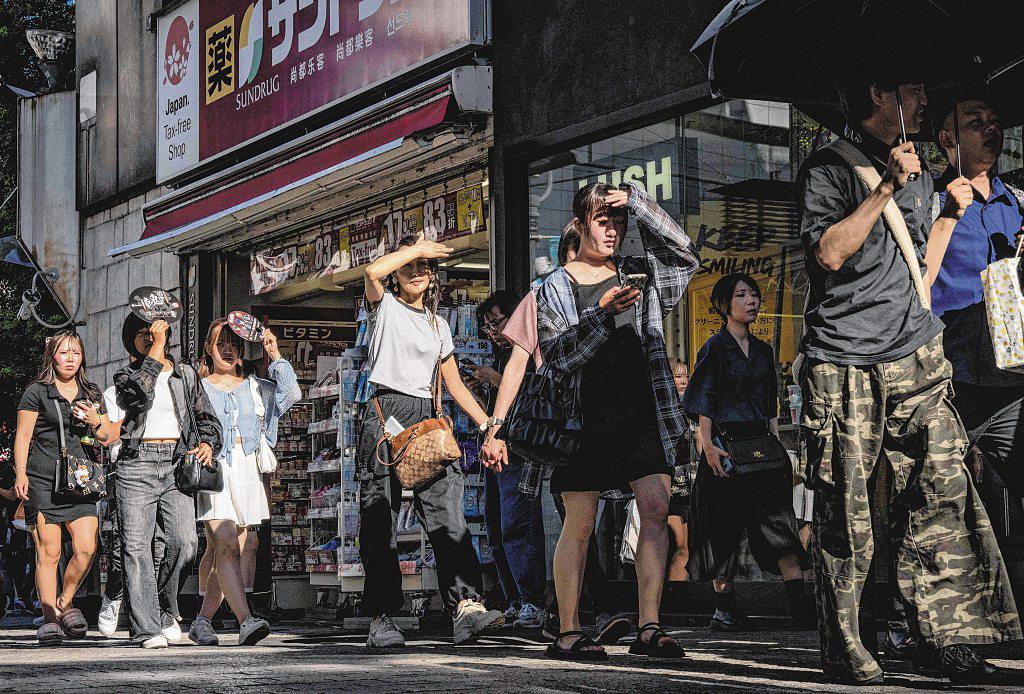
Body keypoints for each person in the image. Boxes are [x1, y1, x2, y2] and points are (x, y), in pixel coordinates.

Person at [797, 68, 1021, 684]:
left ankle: (951, 636)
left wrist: (943, 212)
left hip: (916, 357)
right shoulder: (828, 170)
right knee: (851, 512)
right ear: (879, 95)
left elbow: (919, 268)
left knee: (944, 489)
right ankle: (848, 643)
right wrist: (885, 190)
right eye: (915, 90)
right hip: (845, 363)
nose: (925, 101)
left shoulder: (921, 169)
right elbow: (830, 254)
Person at [534, 181, 698, 661]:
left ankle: (649, 627)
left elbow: (684, 257)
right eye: (603, 220)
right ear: (581, 223)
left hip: (641, 410)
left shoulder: (638, 272)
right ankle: (568, 632)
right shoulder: (556, 286)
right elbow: (560, 356)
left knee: (654, 508)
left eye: (619, 221)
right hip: (582, 418)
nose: (613, 230)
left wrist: (641, 204)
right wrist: (601, 316)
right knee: (580, 522)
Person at [480, 226, 631, 645]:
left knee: (581, 522)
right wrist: (496, 427)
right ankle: (575, 615)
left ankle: (565, 613)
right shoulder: (544, 296)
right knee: (571, 523)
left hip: (602, 422)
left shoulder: (621, 290)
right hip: (554, 432)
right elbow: (520, 366)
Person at [358, 233, 505, 648]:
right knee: (379, 517)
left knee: (448, 511)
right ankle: (382, 618)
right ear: (398, 272)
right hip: (384, 412)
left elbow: (454, 383)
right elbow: (372, 272)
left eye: (425, 266)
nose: (419, 272)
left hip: (428, 416)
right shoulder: (383, 307)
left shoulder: (438, 324)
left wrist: (489, 424)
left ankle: (465, 607)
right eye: (411, 266)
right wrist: (415, 250)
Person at [683, 274, 809, 631]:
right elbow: (704, 400)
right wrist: (708, 447)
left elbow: (770, 406)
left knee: (780, 526)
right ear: (725, 305)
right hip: (725, 447)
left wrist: (779, 450)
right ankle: (724, 609)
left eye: (754, 295)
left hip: (762, 448)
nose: (751, 301)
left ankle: (799, 606)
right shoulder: (714, 347)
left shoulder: (765, 350)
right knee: (721, 529)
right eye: (741, 295)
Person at [926, 93, 1024, 500]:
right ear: (947, 138)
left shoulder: (1019, 203)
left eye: (995, 120)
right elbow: (915, 280)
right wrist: (947, 215)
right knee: (941, 503)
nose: (990, 128)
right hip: (948, 383)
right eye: (975, 122)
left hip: (1012, 384)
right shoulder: (926, 204)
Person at [113, 314, 222, 648]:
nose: (149, 337)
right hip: (136, 464)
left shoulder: (186, 374)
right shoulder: (127, 375)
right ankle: (146, 628)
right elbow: (136, 399)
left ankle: (161, 606)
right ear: (130, 338)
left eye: (156, 333)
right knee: (136, 547)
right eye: (142, 334)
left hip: (176, 464)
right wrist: (155, 352)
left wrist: (207, 442)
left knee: (184, 543)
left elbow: (207, 418)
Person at [191, 318, 300, 647]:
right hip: (213, 471)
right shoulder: (197, 387)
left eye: (234, 343)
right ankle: (246, 619)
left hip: (247, 471)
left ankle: (201, 621)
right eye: (220, 342)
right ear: (209, 348)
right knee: (224, 543)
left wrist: (275, 354)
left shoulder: (257, 387)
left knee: (234, 551)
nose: (227, 348)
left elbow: (290, 393)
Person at [13, 331, 113, 645]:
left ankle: (64, 601)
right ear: (52, 356)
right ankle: (50, 618)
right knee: (49, 551)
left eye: (75, 353)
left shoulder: (92, 392)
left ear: (82, 357)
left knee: (86, 547)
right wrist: (20, 473)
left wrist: (96, 419)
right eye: (63, 352)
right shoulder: (36, 392)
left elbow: (107, 437)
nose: (69, 359)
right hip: (42, 478)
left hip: (80, 479)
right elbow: (23, 436)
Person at [471, 290, 547, 629]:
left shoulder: (526, 352)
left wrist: (494, 379)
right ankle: (515, 599)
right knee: (497, 528)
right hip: (494, 446)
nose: (492, 332)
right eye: (486, 328)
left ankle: (533, 601)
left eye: (496, 323)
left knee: (518, 524)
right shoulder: (498, 354)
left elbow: (533, 392)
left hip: (520, 447)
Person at [667, 360, 692, 583]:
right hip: (671, 486)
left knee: (687, 547)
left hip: (689, 485)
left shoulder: (692, 406)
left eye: (685, 375)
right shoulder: (665, 410)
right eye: (677, 376)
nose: (683, 380)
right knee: (678, 544)